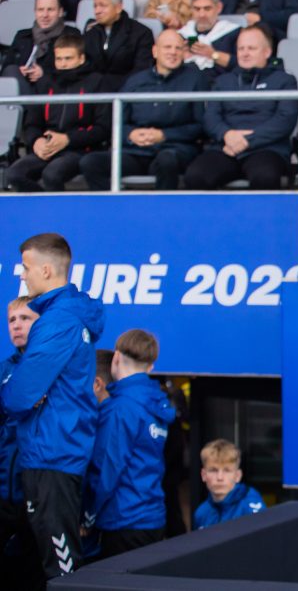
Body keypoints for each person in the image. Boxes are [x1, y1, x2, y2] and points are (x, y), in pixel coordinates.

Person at [0, 233, 104, 580]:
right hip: (52, 453)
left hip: (52, 455)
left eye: (25, 268)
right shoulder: (63, 315)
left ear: (46, 270)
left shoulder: (58, 321)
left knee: (62, 570)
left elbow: (19, 394)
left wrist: (24, 392)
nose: (22, 276)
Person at [82, 330, 175, 558]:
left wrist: (87, 516)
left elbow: (106, 469)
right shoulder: (155, 405)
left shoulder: (121, 408)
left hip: (123, 519)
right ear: (151, 366)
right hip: (152, 516)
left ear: (115, 358)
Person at [80, 29, 209, 191]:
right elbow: (117, 121)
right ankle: (117, 210)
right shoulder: (135, 81)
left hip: (175, 148)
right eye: (167, 47)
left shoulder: (195, 80)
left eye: (178, 48)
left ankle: (164, 212)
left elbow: (200, 126)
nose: (173, 52)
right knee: (90, 163)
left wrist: (164, 135)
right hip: (136, 151)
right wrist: (130, 134)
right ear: (155, 51)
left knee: (166, 160)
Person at [184, 25, 298, 189]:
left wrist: (248, 141)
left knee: (265, 176)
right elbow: (211, 117)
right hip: (225, 147)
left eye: (251, 48)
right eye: (241, 48)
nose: (245, 53)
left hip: (266, 149)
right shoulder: (223, 81)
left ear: (267, 52)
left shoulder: (285, 81)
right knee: (196, 175)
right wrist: (227, 134)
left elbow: (285, 119)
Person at [5, 34, 110, 193]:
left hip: (81, 150)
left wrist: (67, 139)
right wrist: (36, 141)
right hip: (47, 147)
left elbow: (103, 128)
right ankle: (40, 211)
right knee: (13, 174)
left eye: (68, 58)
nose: (63, 64)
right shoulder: (45, 82)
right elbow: (32, 122)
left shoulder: (97, 82)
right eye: (59, 59)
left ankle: (61, 215)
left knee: (52, 174)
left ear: (81, 58)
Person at [0, 297, 41, 589]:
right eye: (12, 320)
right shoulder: (4, 370)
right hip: (4, 491)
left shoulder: (50, 365)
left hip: (39, 488)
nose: (17, 325)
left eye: (25, 318)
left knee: (35, 571)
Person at [0, 0, 82, 94]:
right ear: (35, 12)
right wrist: (19, 72)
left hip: (54, 90)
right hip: (23, 89)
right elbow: (5, 69)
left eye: (50, 10)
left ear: (60, 12)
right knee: (12, 70)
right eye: (40, 10)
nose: (45, 15)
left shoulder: (71, 34)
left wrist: (43, 73)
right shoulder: (22, 36)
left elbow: (77, 70)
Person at [83, 0, 156, 91]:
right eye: (95, 6)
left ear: (118, 7)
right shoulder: (90, 34)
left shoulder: (142, 33)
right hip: (95, 95)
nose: (97, 11)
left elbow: (142, 71)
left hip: (128, 93)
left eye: (102, 6)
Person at [193, 439, 265, 529]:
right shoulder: (201, 513)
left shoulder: (250, 506)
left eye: (227, 471)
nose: (220, 477)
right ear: (203, 475)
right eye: (213, 470)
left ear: (237, 476)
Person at [178, 0, 241, 82]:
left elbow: (242, 63)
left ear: (219, 8)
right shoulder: (182, 35)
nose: (202, 15)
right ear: (191, 9)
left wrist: (212, 54)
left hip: (220, 86)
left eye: (207, 9)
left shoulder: (234, 33)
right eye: (197, 9)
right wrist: (180, 56)